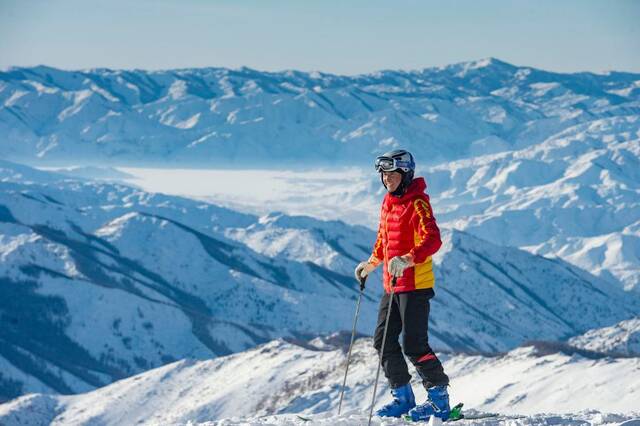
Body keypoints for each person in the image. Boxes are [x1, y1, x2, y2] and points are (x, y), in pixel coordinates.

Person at [355, 149, 450, 421]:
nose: (387, 179)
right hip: (392, 283)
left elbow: (433, 239)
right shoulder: (388, 202)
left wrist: (409, 259)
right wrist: (372, 263)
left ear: (405, 173)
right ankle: (403, 398)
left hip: (415, 284)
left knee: (414, 344)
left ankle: (438, 401)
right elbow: (385, 239)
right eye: (384, 174)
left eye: (392, 174)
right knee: (382, 342)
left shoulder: (417, 202)